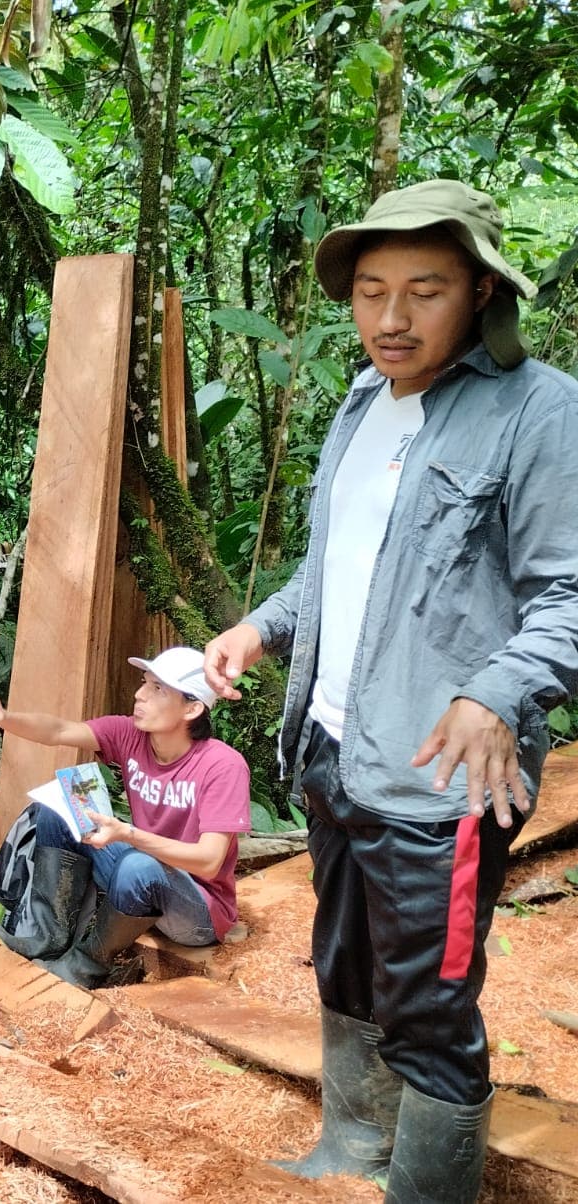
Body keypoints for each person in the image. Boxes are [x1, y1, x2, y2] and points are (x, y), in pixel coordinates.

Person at [202, 180, 578, 1204]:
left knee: (428, 1003)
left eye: (425, 290)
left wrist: (497, 689)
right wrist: (259, 627)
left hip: (439, 778)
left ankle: (427, 1189)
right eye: (371, 292)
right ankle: (354, 1145)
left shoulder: (539, 410)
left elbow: (568, 590)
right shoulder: (366, 401)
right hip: (334, 751)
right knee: (347, 963)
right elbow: (333, 568)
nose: (392, 318)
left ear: (481, 292)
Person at [0, 647, 250, 988]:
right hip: (138, 876)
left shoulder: (223, 765)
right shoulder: (129, 734)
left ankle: (84, 966)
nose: (140, 695)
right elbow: (58, 731)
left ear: (192, 708)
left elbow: (209, 862)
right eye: (145, 683)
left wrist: (128, 834)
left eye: (158, 689)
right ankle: (47, 937)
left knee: (138, 867)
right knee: (58, 810)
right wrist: (4, 717)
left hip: (198, 909)